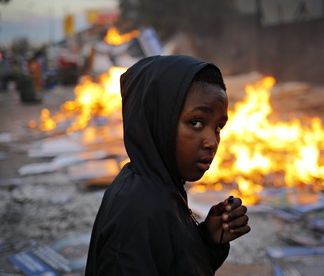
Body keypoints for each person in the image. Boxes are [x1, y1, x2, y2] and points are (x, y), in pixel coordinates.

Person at [85, 55, 250, 275]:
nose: (212, 142)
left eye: (218, 128)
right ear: (158, 120)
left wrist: (208, 240)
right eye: (196, 123)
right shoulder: (138, 213)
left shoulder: (160, 188)